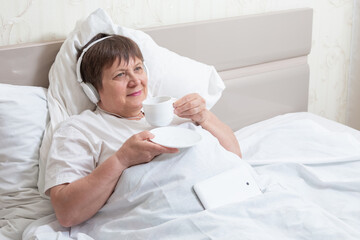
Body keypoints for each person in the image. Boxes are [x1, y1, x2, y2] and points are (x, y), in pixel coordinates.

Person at [45, 33, 242, 228]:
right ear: (94, 90)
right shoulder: (79, 129)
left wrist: (205, 117)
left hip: (230, 202)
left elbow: (235, 155)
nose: (135, 81)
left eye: (138, 68)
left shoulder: (175, 107)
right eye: (120, 74)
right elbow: (66, 213)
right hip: (171, 222)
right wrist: (122, 159)